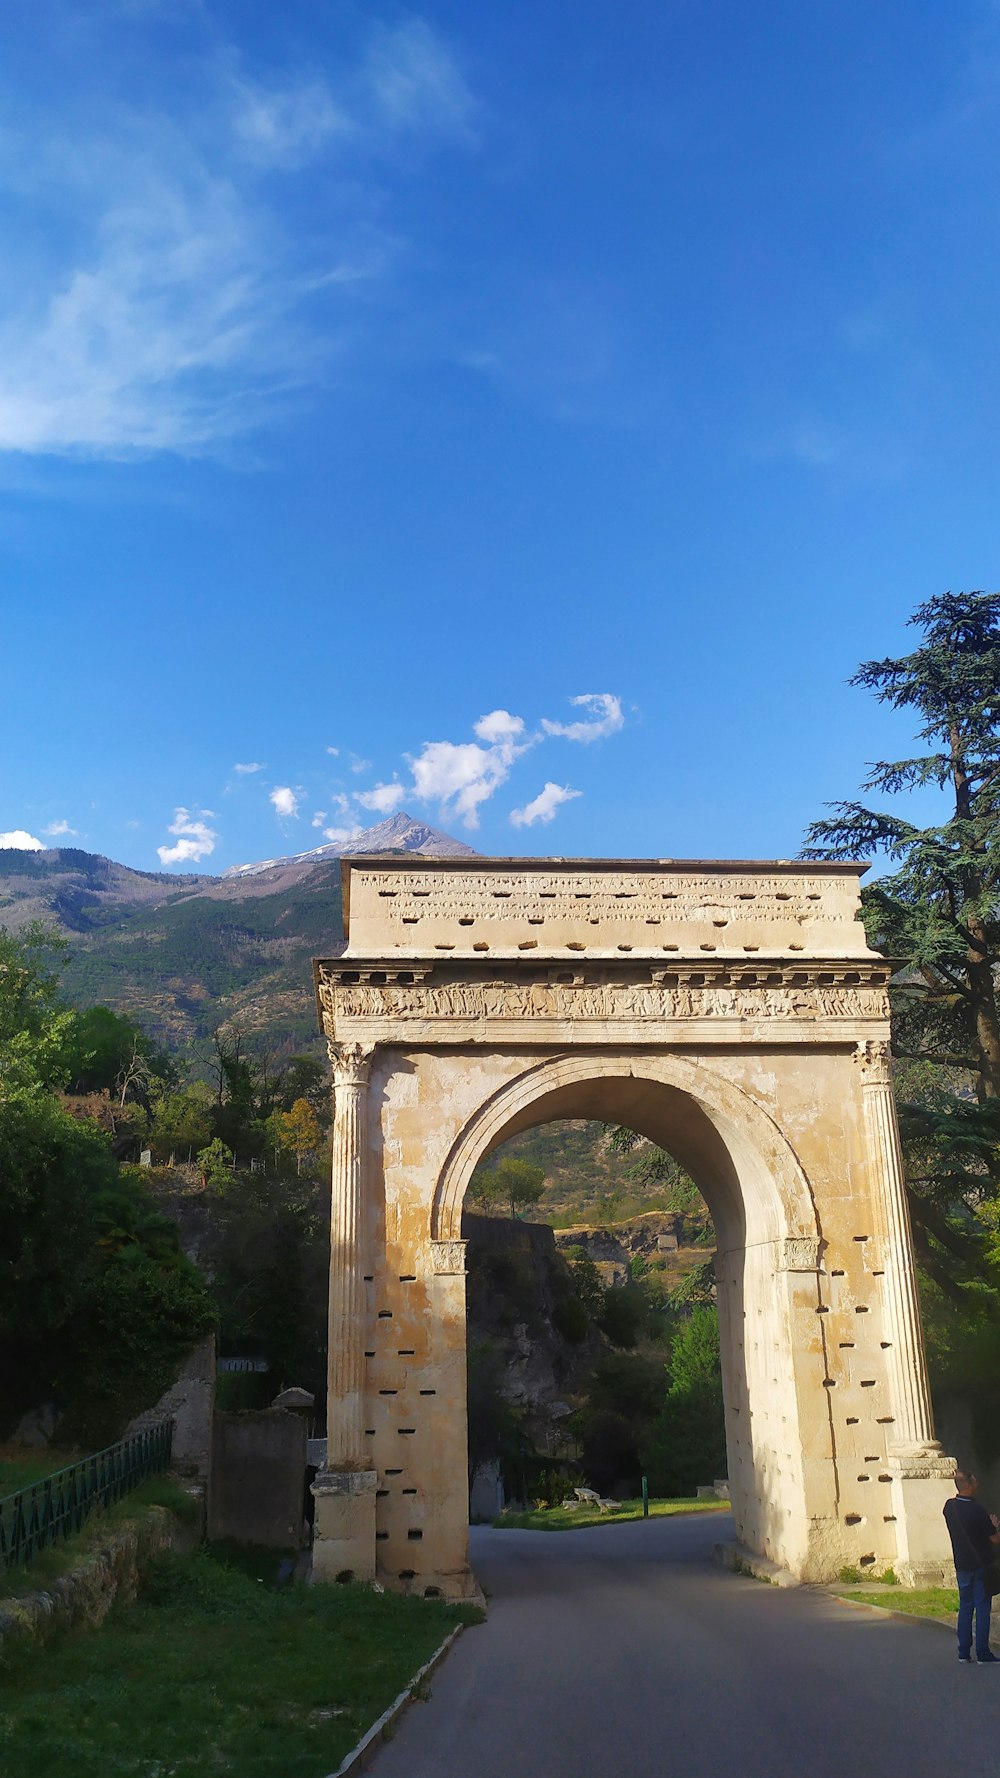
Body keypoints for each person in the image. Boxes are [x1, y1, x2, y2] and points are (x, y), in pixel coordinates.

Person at [942, 1469, 1000, 1664]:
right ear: (968, 1486)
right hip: (981, 1565)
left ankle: (963, 1652)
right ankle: (983, 1653)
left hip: (962, 1565)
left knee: (966, 1607)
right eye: (975, 1482)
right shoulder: (978, 1510)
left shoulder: (949, 1507)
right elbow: (995, 1539)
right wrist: (994, 1525)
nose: (977, 1485)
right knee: (983, 1608)